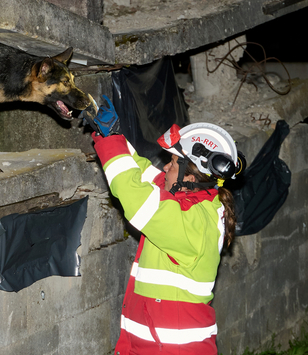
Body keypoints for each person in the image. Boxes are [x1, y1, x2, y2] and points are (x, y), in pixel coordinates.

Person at [84, 96, 243, 354]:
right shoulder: (193, 202)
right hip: (159, 343)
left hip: (172, 348)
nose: (165, 166)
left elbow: (135, 196)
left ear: (189, 177)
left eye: (172, 163)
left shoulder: (194, 224)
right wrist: (112, 136)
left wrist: (112, 140)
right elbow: (145, 175)